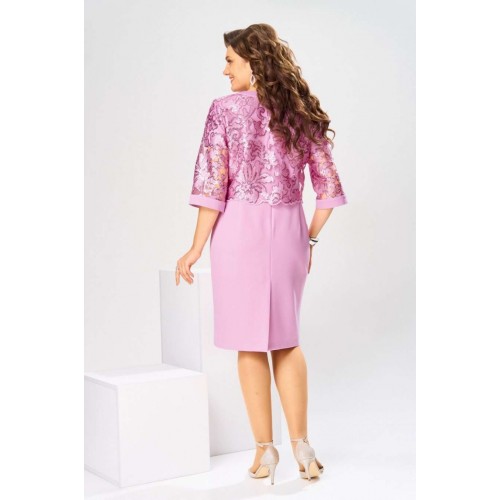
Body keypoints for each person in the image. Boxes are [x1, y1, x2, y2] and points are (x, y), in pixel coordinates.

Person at [175, 24, 347, 484]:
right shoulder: (299, 111)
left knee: (249, 343)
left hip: (237, 233)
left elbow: (213, 185)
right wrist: (308, 240)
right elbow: (328, 191)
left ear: (253, 62)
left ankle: (265, 451)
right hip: (289, 231)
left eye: (230, 60)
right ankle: (302, 447)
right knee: (287, 340)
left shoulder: (223, 110)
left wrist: (195, 247)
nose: (224, 69)